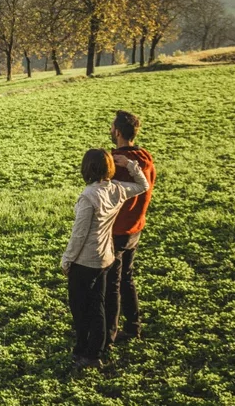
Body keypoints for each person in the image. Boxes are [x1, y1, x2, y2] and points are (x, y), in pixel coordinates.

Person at [62, 148, 150, 369]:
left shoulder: (88, 197)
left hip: (84, 261)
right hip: (105, 257)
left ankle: (83, 350)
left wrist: (67, 260)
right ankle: (96, 352)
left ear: (87, 169)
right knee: (98, 305)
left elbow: (79, 235)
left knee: (80, 308)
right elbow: (143, 185)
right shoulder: (117, 189)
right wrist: (130, 165)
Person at [106, 109, 155, 345]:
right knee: (126, 278)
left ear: (117, 132)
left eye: (111, 126)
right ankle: (133, 326)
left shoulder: (115, 162)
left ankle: (109, 334)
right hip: (136, 228)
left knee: (112, 284)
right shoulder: (145, 158)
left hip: (116, 230)